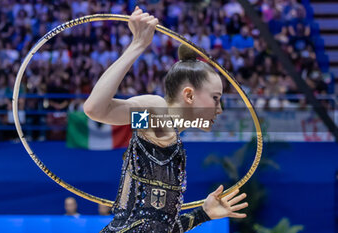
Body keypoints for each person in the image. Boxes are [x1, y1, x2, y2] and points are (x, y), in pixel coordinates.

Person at [84, 6, 248, 232]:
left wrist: (203, 214)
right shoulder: (156, 116)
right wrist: (137, 45)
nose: (219, 109)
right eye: (215, 98)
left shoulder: (166, 130)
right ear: (189, 95)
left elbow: (158, 226)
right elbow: (96, 109)